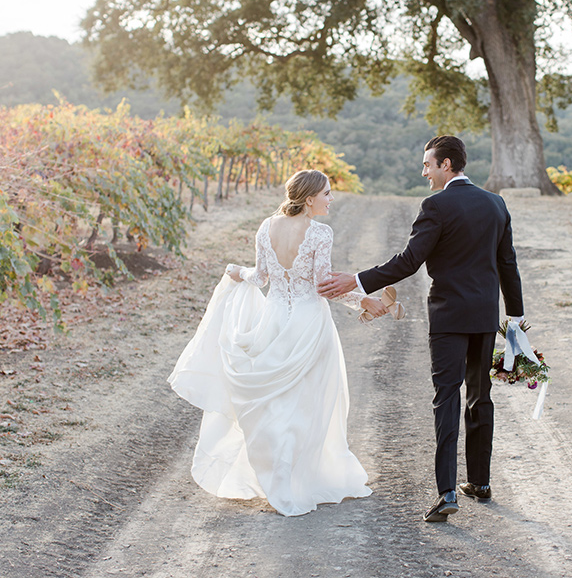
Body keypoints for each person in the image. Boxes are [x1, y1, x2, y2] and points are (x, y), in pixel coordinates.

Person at [318, 136, 524, 522]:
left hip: (448, 318)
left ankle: (447, 492)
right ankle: (480, 482)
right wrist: (515, 318)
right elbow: (508, 264)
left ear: (446, 165)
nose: (424, 172)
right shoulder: (496, 203)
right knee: (481, 396)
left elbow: (409, 261)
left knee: (446, 398)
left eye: (427, 164)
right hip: (484, 316)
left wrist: (357, 280)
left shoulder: (436, 205)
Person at [168, 169, 391, 516]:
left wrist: (237, 272)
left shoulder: (266, 226)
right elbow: (323, 286)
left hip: (273, 321)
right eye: (327, 194)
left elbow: (260, 277)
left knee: (275, 403)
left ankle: (278, 478)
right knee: (306, 404)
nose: (331, 200)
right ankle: (296, 478)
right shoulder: (319, 233)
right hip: (308, 323)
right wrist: (363, 300)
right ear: (309, 199)